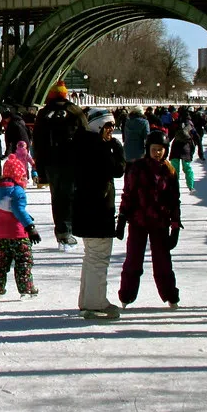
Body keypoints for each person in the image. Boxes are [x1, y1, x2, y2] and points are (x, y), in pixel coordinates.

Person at [71, 108, 126, 319]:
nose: (112, 130)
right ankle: (96, 303)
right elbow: (118, 170)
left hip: (86, 210)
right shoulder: (97, 148)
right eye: (108, 126)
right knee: (98, 258)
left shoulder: (82, 143)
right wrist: (116, 148)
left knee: (91, 256)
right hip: (97, 212)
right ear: (98, 126)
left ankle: (87, 299)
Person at [117, 129, 181, 308]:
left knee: (163, 262)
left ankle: (171, 295)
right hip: (138, 221)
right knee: (133, 260)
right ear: (148, 148)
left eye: (161, 149)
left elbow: (174, 200)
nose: (157, 152)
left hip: (160, 223)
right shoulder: (137, 168)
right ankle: (126, 295)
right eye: (154, 149)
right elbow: (128, 194)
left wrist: (175, 226)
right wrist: (122, 218)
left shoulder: (169, 171)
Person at [32, 80, 88, 249]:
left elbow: (38, 143)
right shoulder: (75, 111)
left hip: (51, 163)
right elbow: (86, 137)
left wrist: (40, 169)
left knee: (58, 198)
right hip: (73, 161)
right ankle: (74, 229)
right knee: (73, 196)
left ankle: (63, 232)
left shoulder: (44, 113)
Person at [0, 154, 41, 302]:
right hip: (19, 234)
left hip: (0, 234)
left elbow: (6, 208)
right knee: (23, 261)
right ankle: (26, 289)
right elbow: (18, 210)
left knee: (1, 262)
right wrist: (30, 227)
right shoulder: (17, 191)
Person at [167, 107, 202, 190]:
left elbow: (170, 136)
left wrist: (165, 145)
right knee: (187, 167)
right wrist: (200, 151)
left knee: (174, 169)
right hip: (186, 147)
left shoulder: (176, 123)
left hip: (175, 147)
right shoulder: (189, 123)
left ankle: (174, 186)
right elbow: (196, 136)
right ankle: (191, 186)